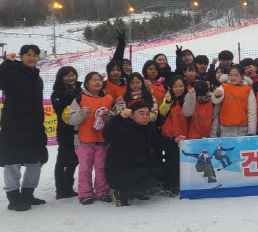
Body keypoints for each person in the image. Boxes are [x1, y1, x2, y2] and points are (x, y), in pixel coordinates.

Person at [0, 46, 49, 211]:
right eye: (28, 55)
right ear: (21, 57)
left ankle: (28, 194)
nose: (31, 58)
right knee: (13, 162)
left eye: (35, 55)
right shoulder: (12, 71)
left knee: (35, 161)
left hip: (34, 127)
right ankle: (13, 197)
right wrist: (7, 64)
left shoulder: (37, 78)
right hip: (14, 126)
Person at [103, 101, 185, 206]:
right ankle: (120, 194)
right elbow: (108, 135)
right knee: (151, 177)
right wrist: (119, 117)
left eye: (147, 114)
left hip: (135, 169)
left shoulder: (146, 129)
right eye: (141, 113)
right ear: (131, 115)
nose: (145, 117)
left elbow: (157, 140)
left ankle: (135, 192)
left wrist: (174, 140)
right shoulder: (123, 127)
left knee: (154, 177)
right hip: (119, 172)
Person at [66, 72, 116, 204]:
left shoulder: (110, 99)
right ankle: (85, 193)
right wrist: (82, 113)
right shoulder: (79, 100)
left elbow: (116, 117)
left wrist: (109, 117)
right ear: (86, 84)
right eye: (93, 80)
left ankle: (102, 191)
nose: (97, 82)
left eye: (99, 79)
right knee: (85, 168)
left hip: (103, 140)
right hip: (84, 141)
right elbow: (70, 119)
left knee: (101, 168)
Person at [50, 66, 81, 199]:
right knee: (63, 159)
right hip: (64, 131)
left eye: (73, 75)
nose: (70, 78)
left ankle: (68, 186)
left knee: (74, 160)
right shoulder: (56, 93)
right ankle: (60, 189)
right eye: (67, 75)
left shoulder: (81, 90)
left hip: (78, 131)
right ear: (61, 78)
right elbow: (60, 110)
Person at [211, 65, 257, 137]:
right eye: (230, 75)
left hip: (242, 129)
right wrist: (217, 95)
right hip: (225, 128)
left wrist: (251, 131)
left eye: (236, 75)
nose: (233, 78)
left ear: (242, 76)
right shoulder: (224, 86)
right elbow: (215, 100)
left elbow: (252, 112)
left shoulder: (248, 89)